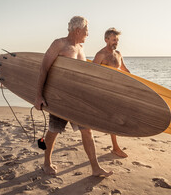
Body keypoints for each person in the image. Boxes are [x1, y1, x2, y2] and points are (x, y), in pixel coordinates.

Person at [34, 16, 113, 177]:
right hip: (59, 98)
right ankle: (46, 163)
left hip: (77, 99)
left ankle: (95, 168)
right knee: (53, 131)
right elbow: (44, 68)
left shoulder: (81, 48)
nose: (88, 34)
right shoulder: (59, 44)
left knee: (87, 131)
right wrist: (38, 95)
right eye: (86, 31)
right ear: (78, 30)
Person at [92, 27, 130, 158]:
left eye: (117, 40)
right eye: (114, 40)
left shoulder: (118, 54)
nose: (116, 42)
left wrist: (136, 85)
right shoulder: (100, 55)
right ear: (106, 40)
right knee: (113, 118)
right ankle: (115, 148)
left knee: (110, 117)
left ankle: (87, 132)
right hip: (105, 92)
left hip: (117, 91)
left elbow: (125, 70)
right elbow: (92, 73)